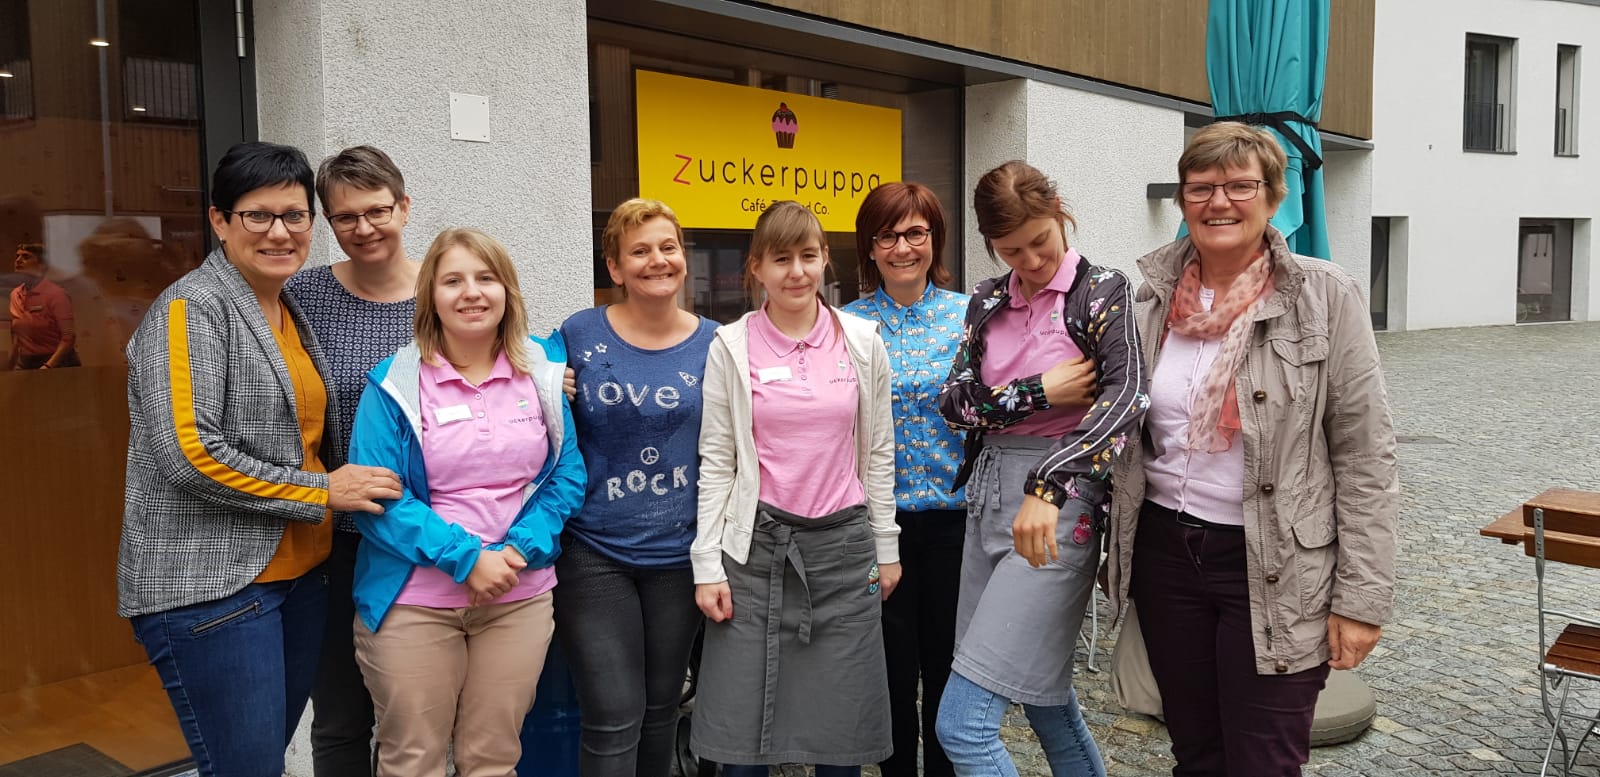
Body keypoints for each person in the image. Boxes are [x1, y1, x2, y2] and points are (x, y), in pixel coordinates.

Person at [1105, 121, 1397, 776]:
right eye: (1201, 187)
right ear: (1183, 200)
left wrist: (1361, 600)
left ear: (1272, 196)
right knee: (1196, 753)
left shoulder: (1325, 294)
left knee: (1264, 760)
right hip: (1166, 556)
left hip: (1277, 563)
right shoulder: (1149, 299)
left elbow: (1366, 455)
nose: (1219, 202)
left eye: (1240, 185)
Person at [117, 141, 403, 777]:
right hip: (213, 587)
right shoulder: (193, 308)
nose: (280, 232)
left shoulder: (285, 305)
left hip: (298, 579)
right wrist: (321, 491)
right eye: (258, 215)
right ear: (220, 221)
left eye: (294, 216)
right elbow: (189, 452)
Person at [934, 161, 1147, 777]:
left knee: (963, 725)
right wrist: (1039, 392)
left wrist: (1050, 484)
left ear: (1059, 213)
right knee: (1045, 701)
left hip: (1059, 504)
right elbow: (954, 402)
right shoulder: (987, 300)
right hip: (987, 499)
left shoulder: (1102, 291)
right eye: (1011, 250)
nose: (1030, 262)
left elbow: (1127, 396)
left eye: (1040, 242)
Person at [347, 226, 585, 776]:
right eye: (452, 281)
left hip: (517, 597)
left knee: (493, 759)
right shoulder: (394, 383)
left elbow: (566, 475)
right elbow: (378, 497)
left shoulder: (541, 373)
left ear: (507, 290)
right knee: (413, 761)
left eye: (486, 278)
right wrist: (468, 558)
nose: (471, 292)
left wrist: (518, 550)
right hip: (414, 602)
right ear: (430, 295)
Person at [690, 200, 899, 777]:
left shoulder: (863, 341)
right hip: (754, 556)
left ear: (825, 258)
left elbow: (879, 453)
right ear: (756, 267)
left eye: (808, 255)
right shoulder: (731, 346)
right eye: (780, 259)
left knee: (841, 740)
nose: (796, 272)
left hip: (844, 554)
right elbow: (717, 463)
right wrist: (707, 564)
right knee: (740, 742)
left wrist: (886, 547)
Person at [556, 198, 719, 777]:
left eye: (668, 247)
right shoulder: (577, 334)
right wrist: (547, 382)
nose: (657, 260)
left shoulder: (718, 343)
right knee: (611, 715)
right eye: (640, 251)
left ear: (684, 258)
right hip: (594, 550)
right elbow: (521, 393)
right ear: (615, 267)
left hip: (681, 555)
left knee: (660, 710)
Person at [284, 145, 421, 777]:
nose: (363, 228)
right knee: (340, 717)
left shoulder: (444, 290)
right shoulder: (303, 295)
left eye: (377, 211)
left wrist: (548, 377)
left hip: (425, 536)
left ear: (404, 207)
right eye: (345, 217)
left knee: (416, 715)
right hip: (333, 538)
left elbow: (503, 358)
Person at [840, 182, 968, 777]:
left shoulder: (968, 317)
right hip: (876, 524)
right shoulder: (845, 325)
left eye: (915, 233)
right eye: (887, 236)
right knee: (889, 670)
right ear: (869, 247)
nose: (902, 248)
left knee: (948, 666)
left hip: (955, 521)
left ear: (934, 239)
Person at [8, 242, 79, 369]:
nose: (18, 260)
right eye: (17, 256)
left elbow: (68, 337)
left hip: (58, 363)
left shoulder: (55, 294)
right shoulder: (15, 295)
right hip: (27, 362)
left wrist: (49, 366)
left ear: (41, 265)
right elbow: (18, 336)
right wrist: (9, 366)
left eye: (26, 257)